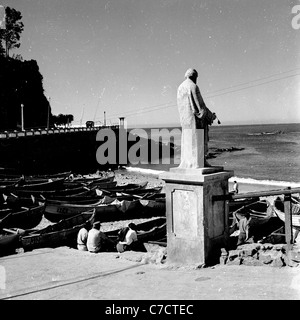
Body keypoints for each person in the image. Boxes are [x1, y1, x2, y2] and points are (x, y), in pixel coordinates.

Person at [177, 68, 217, 167]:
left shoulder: (180, 87)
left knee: (188, 141)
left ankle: (188, 162)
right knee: (197, 140)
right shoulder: (193, 86)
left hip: (185, 121)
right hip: (195, 120)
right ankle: (199, 163)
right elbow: (201, 107)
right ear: (194, 76)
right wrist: (211, 116)